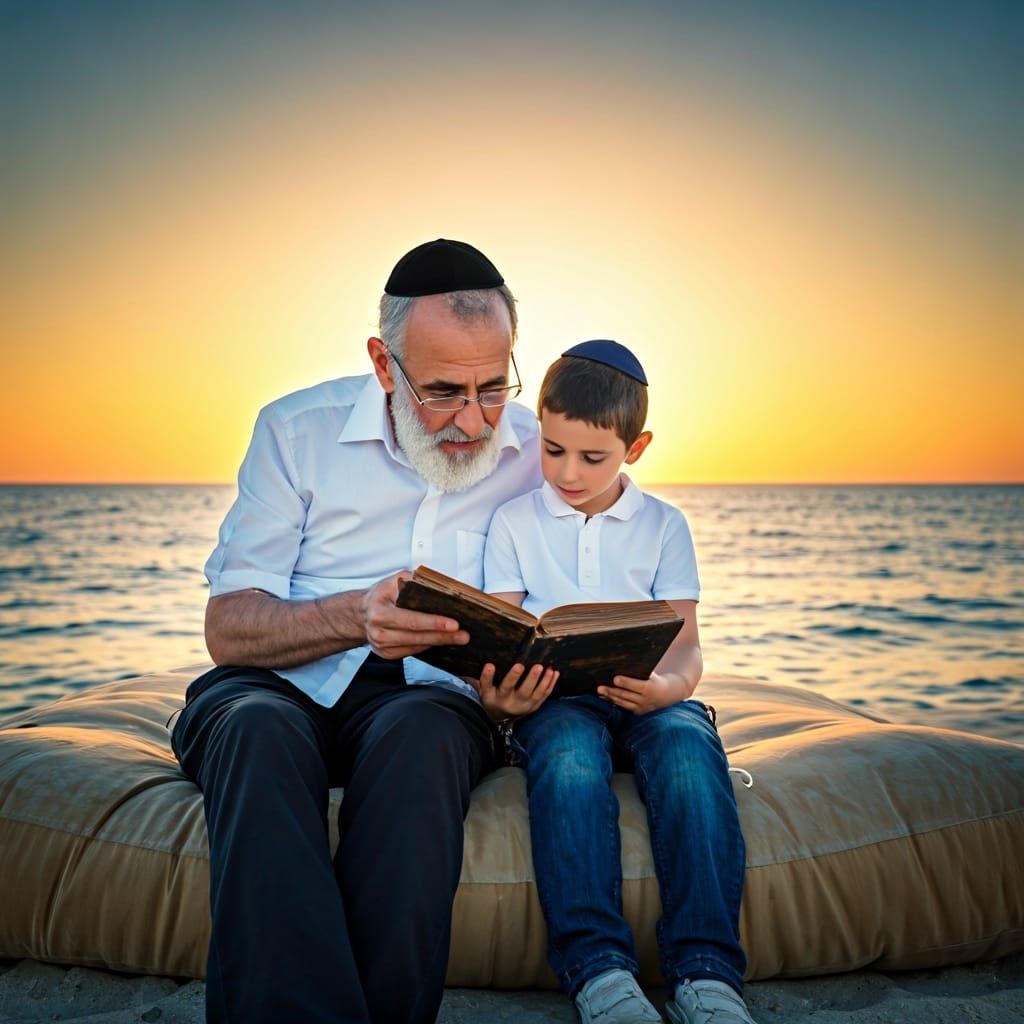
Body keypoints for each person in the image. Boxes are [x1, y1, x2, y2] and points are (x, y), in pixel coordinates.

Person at [170, 238, 557, 1024]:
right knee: (254, 732)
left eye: (494, 388)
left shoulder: (537, 452)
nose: (475, 420)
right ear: (385, 365)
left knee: (423, 742)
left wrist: (516, 694)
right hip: (276, 680)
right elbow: (227, 625)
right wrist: (353, 616)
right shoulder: (295, 430)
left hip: (431, 699)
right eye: (444, 391)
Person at [479, 340, 756, 1024]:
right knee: (571, 762)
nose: (566, 472)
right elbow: (504, 633)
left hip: (650, 697)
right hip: (557, 702)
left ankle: (708, 974)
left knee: (690, 753)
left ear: (636, 447)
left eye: (591, 457)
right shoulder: (514, 522)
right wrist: (498, 696)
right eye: (551, 450)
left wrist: (671, 690)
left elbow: (687, 648)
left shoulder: (664, 526)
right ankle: (599, 970)